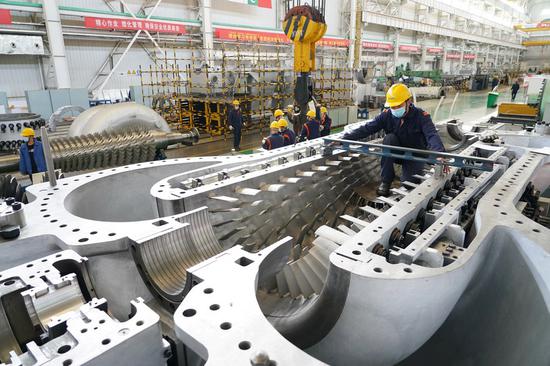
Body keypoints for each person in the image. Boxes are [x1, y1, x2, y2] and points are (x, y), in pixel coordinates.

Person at [341, 83, 445, 196]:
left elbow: (432, 135)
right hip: (396, 151)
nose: (395, 109)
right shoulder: (387, 115)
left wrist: (440, 154)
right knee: (389, 139)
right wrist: (345, 138)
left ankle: (410, 174)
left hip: (415, 155)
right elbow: (367, 128)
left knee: (409, 184)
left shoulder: (421, 116)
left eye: (398, 106)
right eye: (392, 106)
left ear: (408, 101)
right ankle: (386, 181)